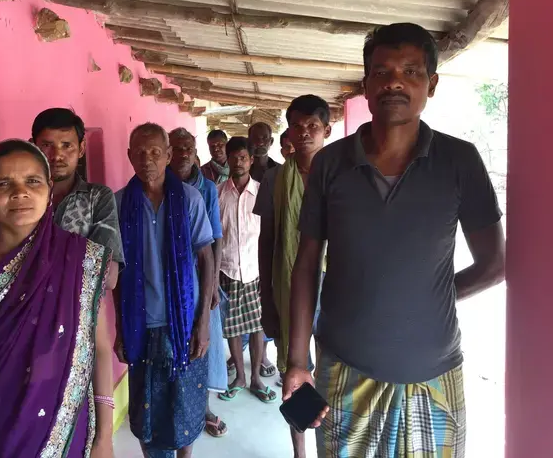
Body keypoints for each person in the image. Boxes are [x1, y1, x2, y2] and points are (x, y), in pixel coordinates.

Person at [285, 23, 506, 458]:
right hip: (345, 369)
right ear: (366, 86)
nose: (395, 83)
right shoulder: (331, 164)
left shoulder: (459, 161)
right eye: (382, 72)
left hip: (434, 374)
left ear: (432, 84)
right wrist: (296, 362)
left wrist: (429, 296)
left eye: (411, 71)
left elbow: (495, 264)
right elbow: (307, 263)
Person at [0, 139, 115, 457]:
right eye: (3, 184)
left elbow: (97, 349)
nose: (20, 193)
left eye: (32, 181)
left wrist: (104, 439)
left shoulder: (82, 259)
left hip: (65, 434)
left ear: (49, 189)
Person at [114, 123, 215, 458]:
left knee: (183, 404)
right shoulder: (118, 204)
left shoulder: (189, 199)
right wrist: (119, 328)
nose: (147, 160)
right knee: (146, 411)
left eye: (155, 152)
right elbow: (117, 272)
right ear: (129, 156)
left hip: (183, 323)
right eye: (140, 153)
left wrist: (203, 324)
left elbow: (207, 259)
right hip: (139, 324)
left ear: (169, 155)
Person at [254, 95, 332, 458]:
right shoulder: (274, 179)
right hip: (287, 289)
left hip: (334, 291)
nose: (304, 134)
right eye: (297, 127)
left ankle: (329, 445)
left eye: (312, 127)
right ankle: (300, 449)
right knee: (295, 373)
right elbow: (268, 239)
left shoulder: (339, 174)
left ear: (326, 130)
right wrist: (266, 301)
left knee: (330, 373)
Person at [168, 127, 228, 438]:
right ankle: (176, 404)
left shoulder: (205, 188)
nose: (182, 154)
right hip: (166, 276)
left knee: (203, 339)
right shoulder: (156, 185)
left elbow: (215, 238)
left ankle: (202, 406)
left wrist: (214, 279)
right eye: (175, 148)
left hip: (199, 273)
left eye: (187, 149)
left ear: (196, 154)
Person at [31, 108, 123, 289]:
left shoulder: (97, 197)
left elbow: (108, 276)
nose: (57, 155)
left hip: (77, 315)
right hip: (21, 315)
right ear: (34, 148)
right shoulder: (23, 197)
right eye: (47, 145)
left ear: (81, 149)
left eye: (67, 145)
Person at [216, 137, 277, 405]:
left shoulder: (264, 193)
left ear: (251, 160)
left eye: (243, 157)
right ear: (227, 160)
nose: (238, 162)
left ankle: (256, 379)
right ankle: (239, 376)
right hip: (227, 271)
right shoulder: (218, 193)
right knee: (232, 328)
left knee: (257, 327)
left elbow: (270, 235)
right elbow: (214, 236)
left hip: (256, 272)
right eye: (234, 157)